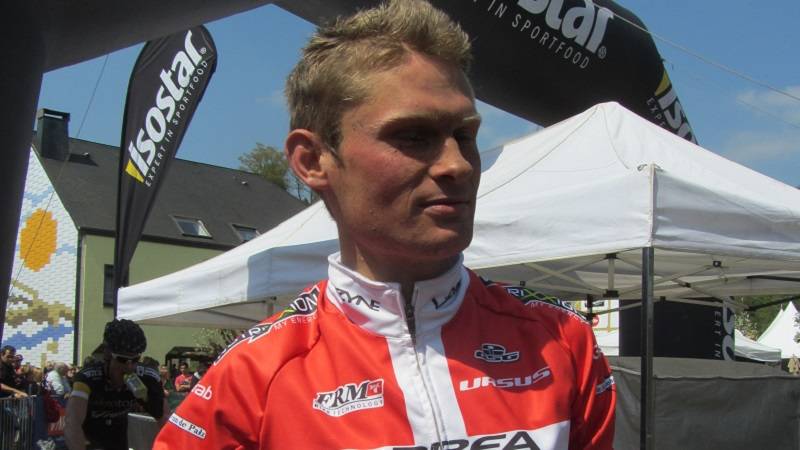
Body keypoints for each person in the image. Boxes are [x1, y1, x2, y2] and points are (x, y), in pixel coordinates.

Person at [153, 1, 616, 448]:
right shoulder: (251, 377)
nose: (458, 165)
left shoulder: (560, 339)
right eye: (413, 136)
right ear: (312, 160)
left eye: (465, 135)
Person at [64, 319, 166, 450]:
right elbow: (72, 423)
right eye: (122, 359)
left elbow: (165, 419)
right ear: (107, 355)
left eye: (135, 359)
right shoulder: (88, 378)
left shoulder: (147, 376)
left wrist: (150, 400)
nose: (129, 367)